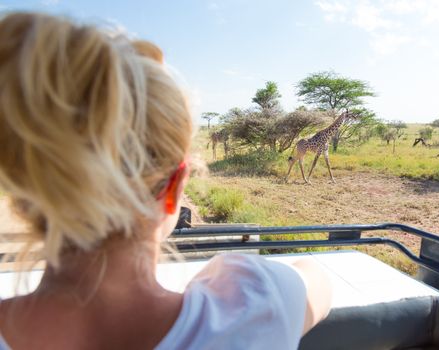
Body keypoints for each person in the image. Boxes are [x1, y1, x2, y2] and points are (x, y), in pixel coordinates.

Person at [0, 12, 332, 350]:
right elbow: (317, 281)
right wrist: (222, 279)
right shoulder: (255, 305)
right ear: (174, 189)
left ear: (22, 196)